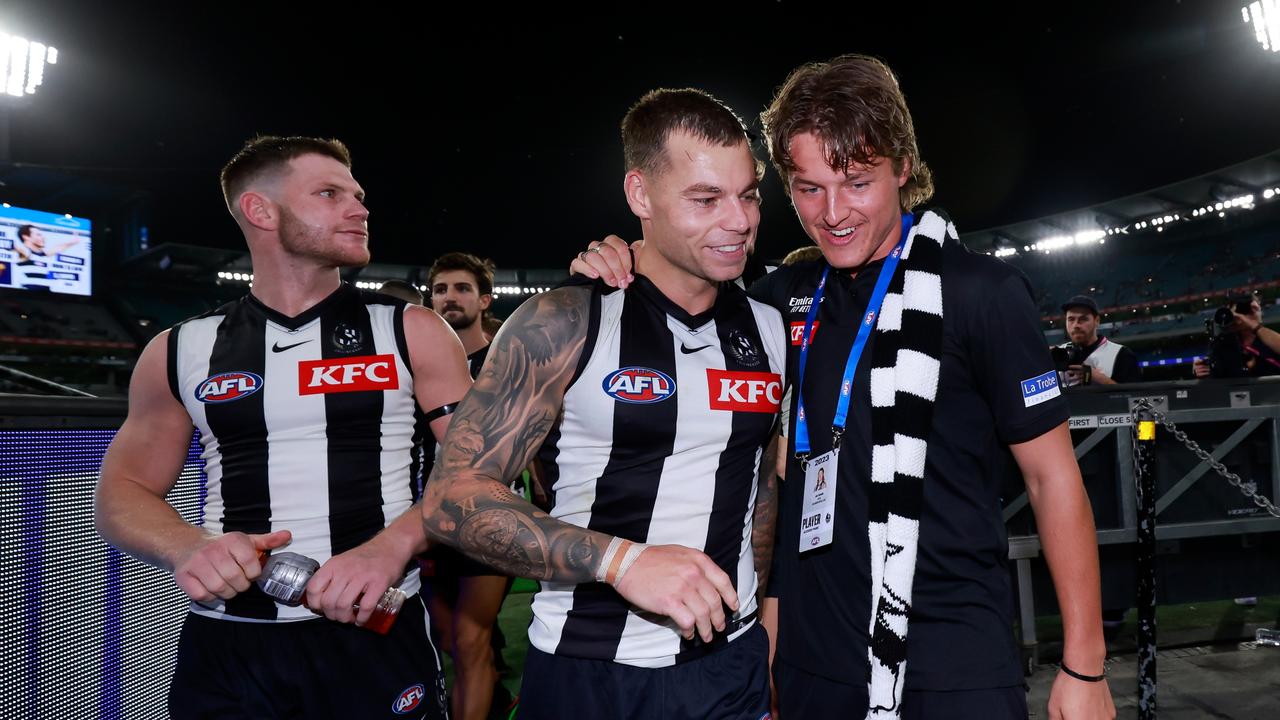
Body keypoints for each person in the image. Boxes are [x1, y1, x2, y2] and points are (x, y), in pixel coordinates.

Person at [572, 55, 1114, 720]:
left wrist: (1084, 666)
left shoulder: (980, 294)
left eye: (856, 183)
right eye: (807, 188)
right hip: (812, 661)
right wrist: (625, 256)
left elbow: (1053, 480)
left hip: (952, 661)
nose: (832, 213)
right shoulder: (782, 300)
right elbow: (680, 282)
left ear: (902, 169)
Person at [422, 88, 785, 719]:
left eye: (748, 194)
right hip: (592, 669)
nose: (739, 220)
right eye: (705, 199)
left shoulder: (771, 328)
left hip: (733, 669)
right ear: (641, 196)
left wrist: (761, 626)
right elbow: (453, 498)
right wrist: (622, 561)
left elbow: (758, 492)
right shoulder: (564, 320)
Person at [94, 135, 472, 720]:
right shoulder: (179, 348)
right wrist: (187, 547)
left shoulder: (413, 330)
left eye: (359, 195)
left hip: (374, 634)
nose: (359, 208)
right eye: (330, 193)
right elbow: (122, 492)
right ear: (260, 211)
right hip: (229, 647)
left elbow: (481, 470)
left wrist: (387, 550)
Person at [425, 251, 517, 720]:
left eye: (461, 288)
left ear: (484, 300)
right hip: (423, 519)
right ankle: (494, 699)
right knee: (447, 641)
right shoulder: (417, 360)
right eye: (440, 289)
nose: (449, 298)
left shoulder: (509, 360)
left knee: (469, 640)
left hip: (490, 513)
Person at [1057, 295, 1142, 386]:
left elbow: (1135, 397)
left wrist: (1099, 378)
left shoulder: (1121, 354)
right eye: (1071, 319)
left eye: (1083, 319)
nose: (1076, 325)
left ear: (1097, 321)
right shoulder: (1057, 353)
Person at [1193, 294, 1280, 378]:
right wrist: (1201, 369)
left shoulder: (1270, 339)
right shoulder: (1223, 343)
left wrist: (1254, 326)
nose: (1252, 311)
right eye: (1243, 310)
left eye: (1255, 308)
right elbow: (1215, 370)